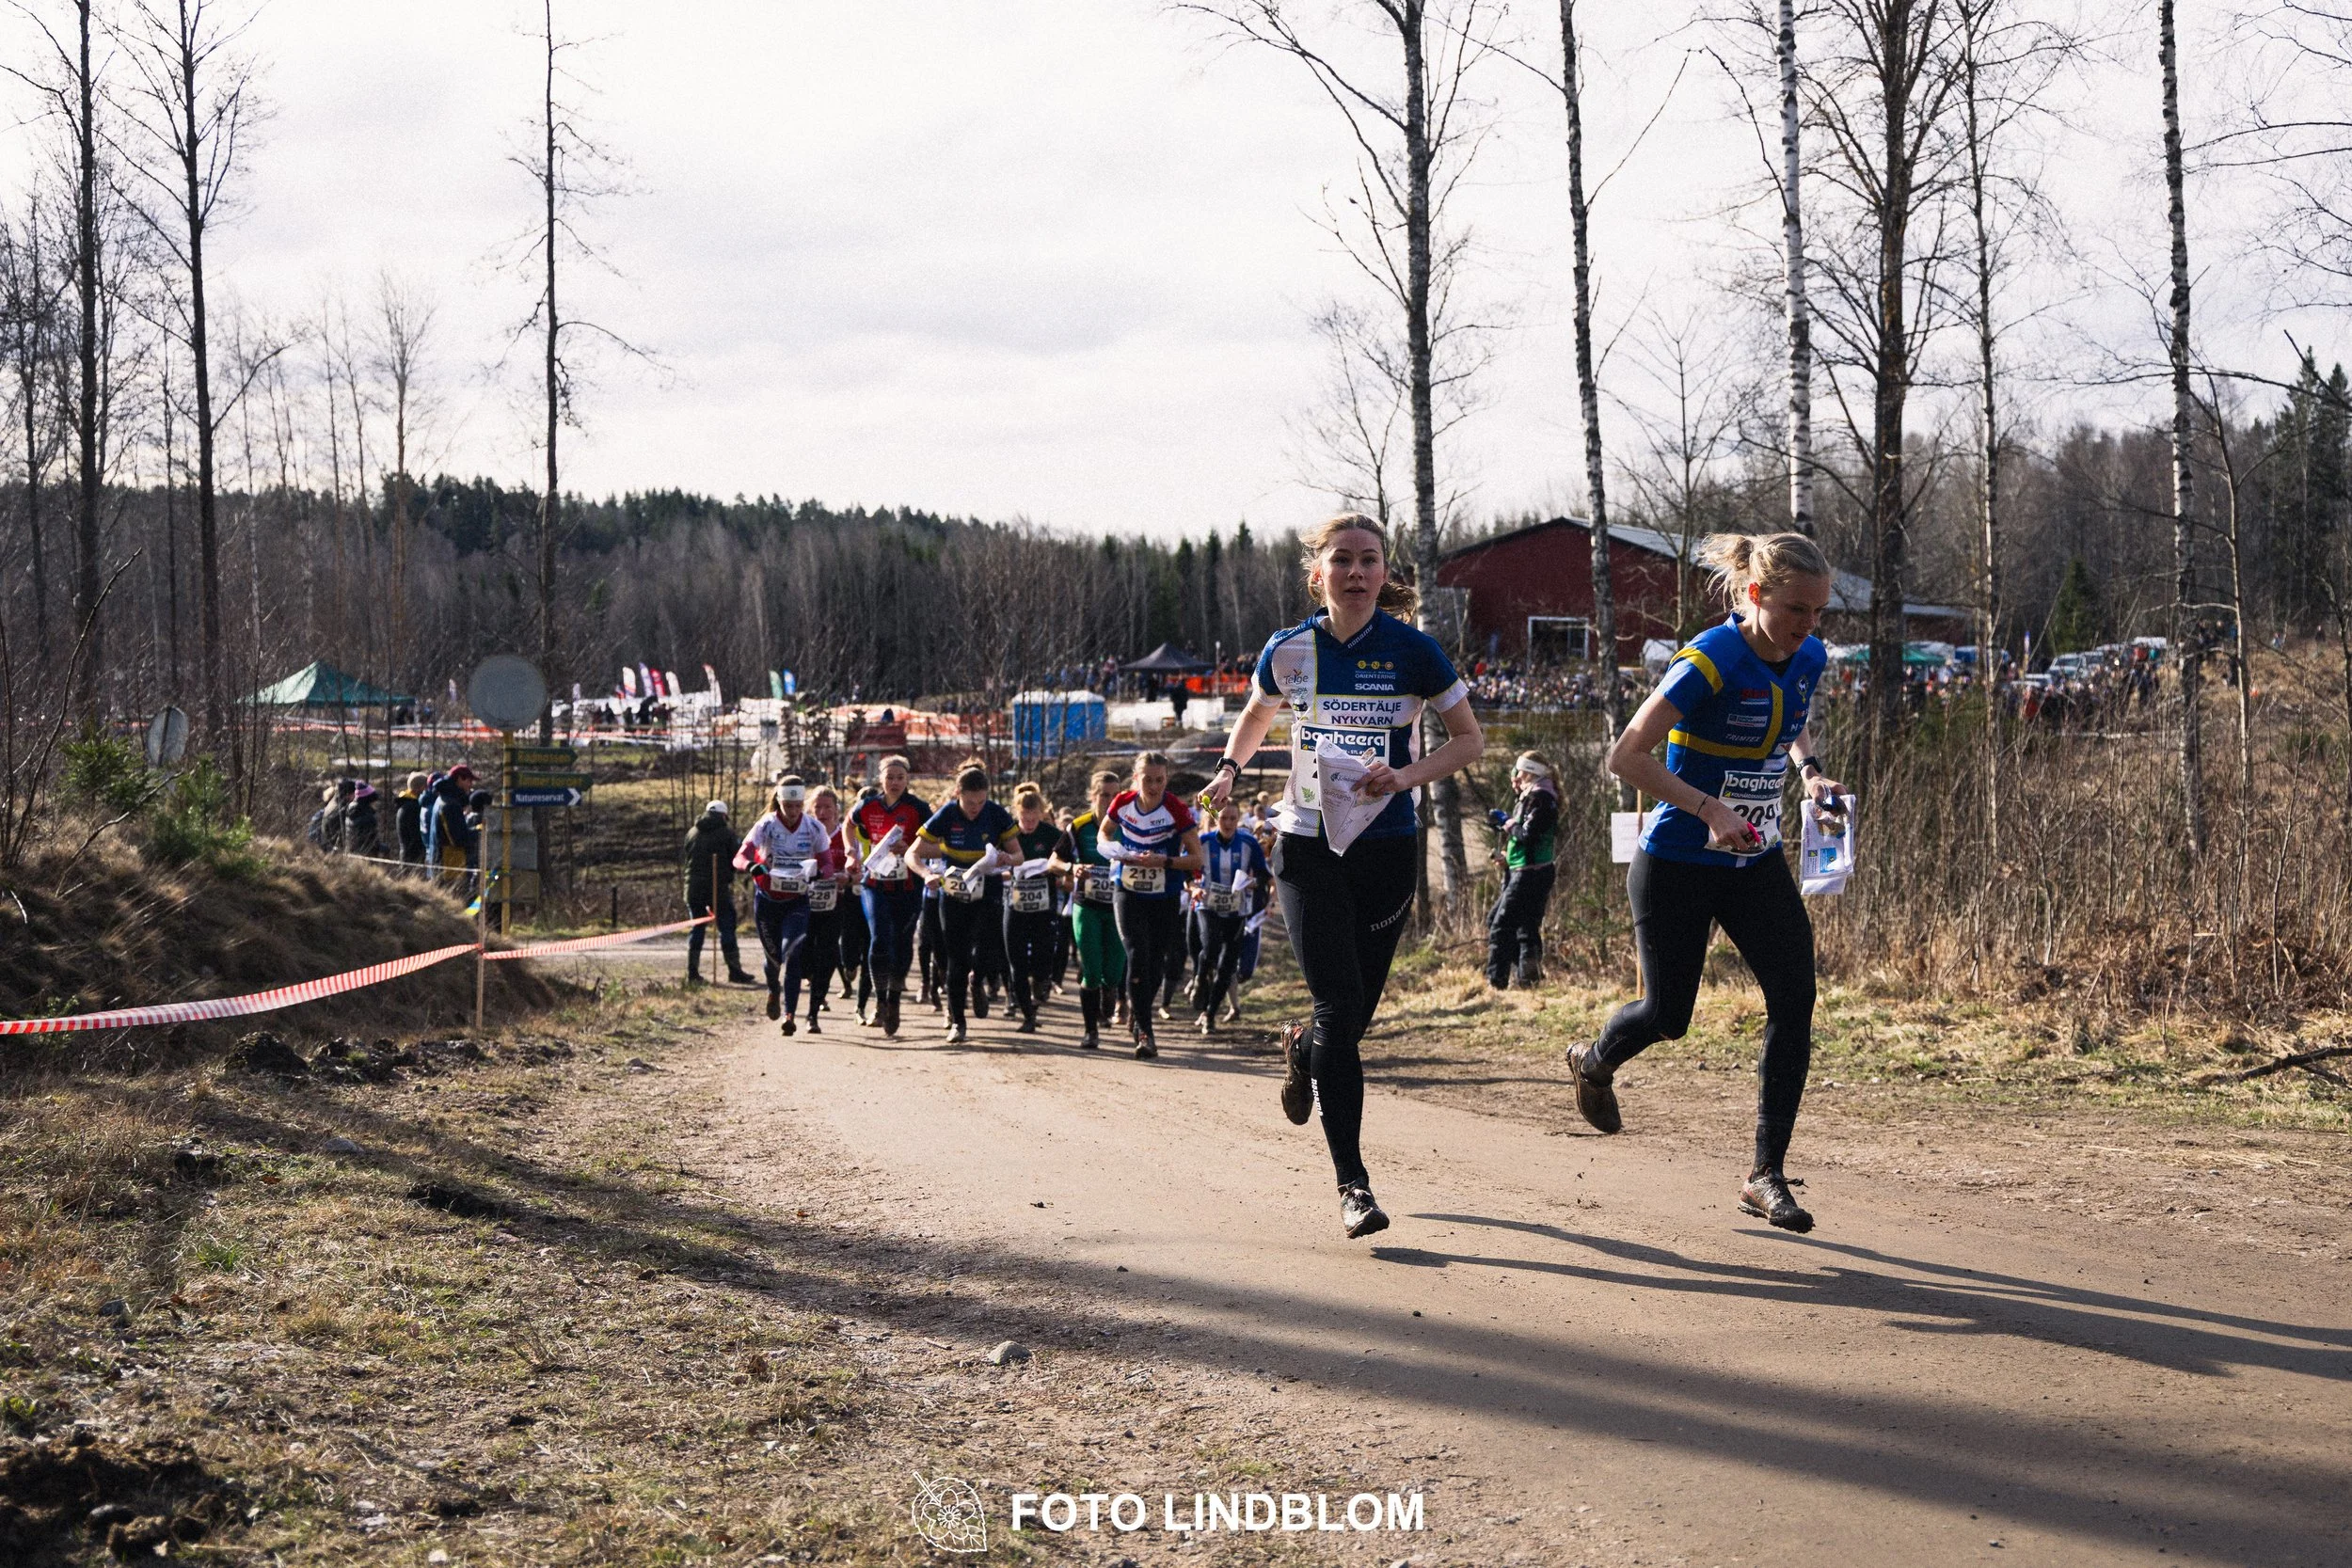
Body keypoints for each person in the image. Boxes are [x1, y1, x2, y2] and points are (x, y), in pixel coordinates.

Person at [1204, 513, 1485, 1240]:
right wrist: (1231, 769)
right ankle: (1352, 1185)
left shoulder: (1417, 652)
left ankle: (1301, 1052)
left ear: (1386, 573)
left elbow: (1469, 740)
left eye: (1370, 561)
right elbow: (1256, 714)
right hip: (1306, 846)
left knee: (1349, 1021)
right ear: (1318, 572)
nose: (1357, 573)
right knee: (1339, 1007)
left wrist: (1406, 776)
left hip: (1388, 847)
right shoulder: (1289, 648)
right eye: (1343, 560)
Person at [1565, 531, 1846, 1235]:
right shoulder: (1710, 659)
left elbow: (1793, 717)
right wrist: (1707, 806)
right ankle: (1593, 1060)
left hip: (1754, 859)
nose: (1810, 627)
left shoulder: (1807, 654)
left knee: (1795, 995)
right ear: (1757, 596)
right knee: (1670, 1015)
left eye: (1819, 611)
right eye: (1796, 610)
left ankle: (1765, 1173)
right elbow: (1625, 756)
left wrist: (1811, 776)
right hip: (1679, 860)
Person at [910, 763, 1025, 1044]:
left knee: (990, 953)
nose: (975, 808)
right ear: (958, 793)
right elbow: (913, 853)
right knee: (956, 960)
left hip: (989, 890)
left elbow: (1019, 855)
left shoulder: (996, 814)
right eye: (970, 802)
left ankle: (979, 979)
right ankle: (958, 1022)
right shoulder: (947, 814)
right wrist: (927, 874)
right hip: (954, 893)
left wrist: (1007, 859)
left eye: (981, 802)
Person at [1100, 752, 1203, 1060]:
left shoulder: (1176, 809)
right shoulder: (1122, 802)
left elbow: (1197, 858)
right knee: (1136, 953)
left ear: (1166, 779)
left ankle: (1139, 1008)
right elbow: (1103, 834)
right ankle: (1145, 1030)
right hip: (1128, 889)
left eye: (1160, 779)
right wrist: (1114, 851)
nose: (1154, 785)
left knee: (1155, 963)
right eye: (1148, 779)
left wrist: (1166, 861)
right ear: (1136, 778)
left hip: (1164, 894)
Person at [736, 776, 837, 1033]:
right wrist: (752, 865)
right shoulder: (766, 825)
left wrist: (818, 873)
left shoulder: (814, 828)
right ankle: (773, 988)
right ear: (779, 802)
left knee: (793, 955)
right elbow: (739, 856)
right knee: (774, 960)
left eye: (797, 806)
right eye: (787, 806)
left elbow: (827, 864)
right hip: (768, 901)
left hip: (797, 901)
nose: (793, 812)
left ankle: (789, 1015)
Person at [848, 756, 930, 1037]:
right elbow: (849, 824)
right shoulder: (869, 805)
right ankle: (880, 1000)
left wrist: (910, 848)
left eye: (900, 777)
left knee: (903, 942)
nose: (894, 783)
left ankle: (894, 1000)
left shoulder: (918, 808)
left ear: (907, 780)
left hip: (907, 885)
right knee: (879, 938)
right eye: (889, 777)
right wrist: (850, 852)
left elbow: (936, 842)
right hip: (875, 883)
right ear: (880, 778)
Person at [1050, 769, 1129, 1051]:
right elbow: (1053, 862)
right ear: (1092, 796)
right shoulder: (1080, 827)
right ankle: (1090, 1031)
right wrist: (1073, 868)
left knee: (1115, 973)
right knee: (1091, 970)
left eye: (1114, 795)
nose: (1109, 801)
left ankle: (1110, 994)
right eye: (1103, 795)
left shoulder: (1129, 825)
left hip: (1120, 907)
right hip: (1088, 907)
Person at [1190, 798, 1271, 1034]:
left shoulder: (1248, 843)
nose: (1227, 823)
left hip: (1237, 909)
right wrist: (1193, 887)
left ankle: (1210, 1014)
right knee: (1211, 947)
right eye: (1223, 818)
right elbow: (1185, 868)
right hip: (1208, 906)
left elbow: (1264, 877)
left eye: (1233, 818)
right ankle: (1200, 975)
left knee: (1227, 966)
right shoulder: (1202, 841)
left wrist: (1253, 883)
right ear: (1216, 818)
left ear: (1239, 819)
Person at [1485, 752, 1560, 989]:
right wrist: (1507, 858)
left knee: (1500, 923)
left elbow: (1528, 835)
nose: (1516, 777)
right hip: (1524, 869)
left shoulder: (1541, 798)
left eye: (1519, 772)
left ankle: (1497, 982)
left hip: (1531, 873)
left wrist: (1506, 821)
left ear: (1529, 772)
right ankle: (1528, 980)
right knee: (1525, 926)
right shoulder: (1530, 797)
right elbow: (1525, 840)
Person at [1001, 782, 1064, 1034]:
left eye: (1032, 817)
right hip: (1014, 905)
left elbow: (1064, 862)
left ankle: (1041, 985)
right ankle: (1027, 1015)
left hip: (1043, 907)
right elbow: (996, 862)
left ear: (1041, 813)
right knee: (1016, 962)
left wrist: (1055, 870)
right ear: (1017, 813)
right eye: (1023, 818)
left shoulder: (1051, 835)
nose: (1028, 823)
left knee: (1042, 960)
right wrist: (1008, 870)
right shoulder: (1008, 834)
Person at [797, 785, 854, 1033]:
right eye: (817, 807)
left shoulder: (845, 836)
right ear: (810, 810)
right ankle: (813, 982)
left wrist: (847, 878)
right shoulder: (804, 834)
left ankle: (813, 1012)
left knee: (828, 955)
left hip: (836, 904)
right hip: (805, 903)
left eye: (827, 807)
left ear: (836, 810)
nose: (822, 812)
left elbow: (859, 872)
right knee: (804, 956)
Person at [683, 800, 754, 985]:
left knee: (697, 927)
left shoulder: (692, 832)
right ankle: (734, 971)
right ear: (723, 815)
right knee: (727, 927)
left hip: (692, 887)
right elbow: (737, 859)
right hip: (717, 887)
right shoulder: (726, 833)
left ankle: (692, 973)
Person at [425, 766, 478, 894]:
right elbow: (458, 839)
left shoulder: (442, 799)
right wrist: (478, 832)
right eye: (469, 781)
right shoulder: (450, 805)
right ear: (459, 779)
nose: (471, 785)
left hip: (441, 862)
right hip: (450, 867)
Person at [395, 771, 430, 870]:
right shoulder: (412, 808)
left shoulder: (405, 804)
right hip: (413, 859)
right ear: (420, 788)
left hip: (407, 856)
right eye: (426, 787)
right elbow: (416, 837)